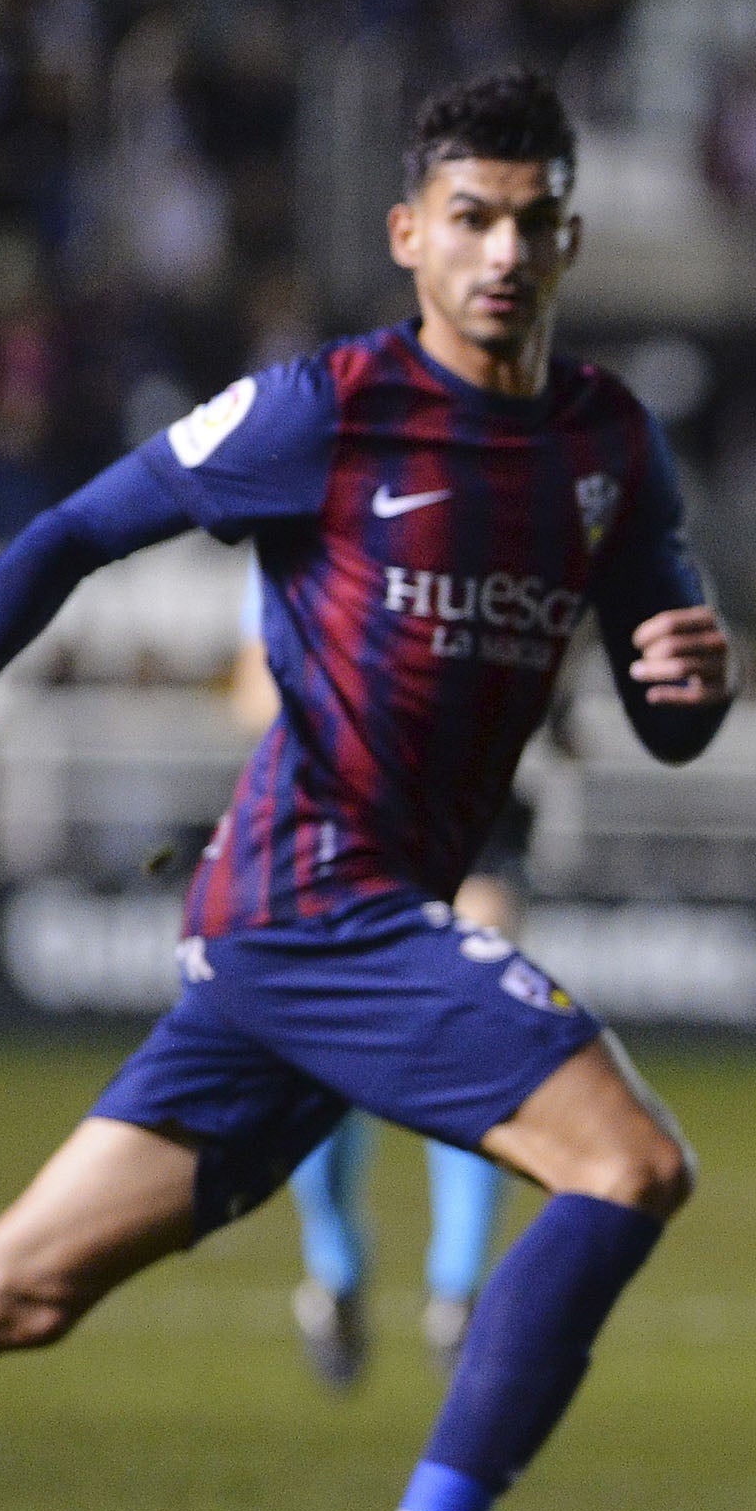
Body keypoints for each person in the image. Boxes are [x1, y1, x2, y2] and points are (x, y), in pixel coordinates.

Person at [0, 68, 740, 1511]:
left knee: (15, 1285)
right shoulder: (322, 412)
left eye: (535, 222)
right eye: (468, 218)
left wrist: (698, 678)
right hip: (308, 897)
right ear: (408, 233)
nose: (502, 252)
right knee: (627, 1165)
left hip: (332, 925)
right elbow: (60, 535)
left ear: (571, 236)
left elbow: (667, 705)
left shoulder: (606, 444)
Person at [229, 569, 530, 1389]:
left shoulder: (501, 515)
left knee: (476, 1020)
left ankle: (458, 1295)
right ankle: (336, 1271)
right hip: (341, 821)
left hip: (470, 814)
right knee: (324, 1056)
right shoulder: (305, 535)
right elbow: (253, 691)